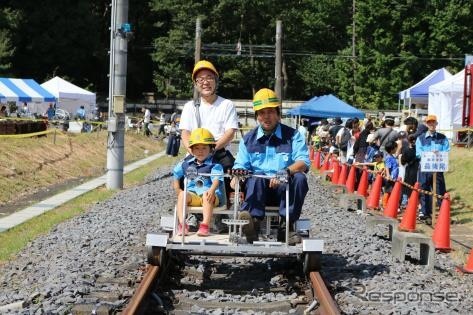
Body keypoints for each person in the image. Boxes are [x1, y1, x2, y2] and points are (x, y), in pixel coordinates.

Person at [231, 88, 310, 244]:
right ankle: (253, 224)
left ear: (278, 113)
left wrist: (285, 172)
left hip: (284, 187)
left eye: (270, 112)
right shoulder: (248, 139)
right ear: (256, 116)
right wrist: (236, 176)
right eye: (261, 113)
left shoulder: (293, 136)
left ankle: (286, 227)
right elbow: (240, 164)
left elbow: (303, 162)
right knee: (254, 178)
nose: (266, 117)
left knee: (300, 178)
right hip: (258, 189)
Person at [179, 60, 239, 172]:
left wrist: (210, 150)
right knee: (182, 177)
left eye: (209, 78)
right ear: (196, 84)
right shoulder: (189, 107)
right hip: (196, 153)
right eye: (200, 79)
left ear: (216, 81)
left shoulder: (227, 105)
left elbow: (230, 133)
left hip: (220, 153)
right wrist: (195, 152)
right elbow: (185, 134)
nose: (205, 82)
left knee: (232, 181)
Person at [172, 128, 224, 236]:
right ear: (191, 149)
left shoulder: (214, 165)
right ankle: (182, 224)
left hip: (211, 196)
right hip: (194, 195)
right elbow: (176, 174)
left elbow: (216, 180)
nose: (200, 151)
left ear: (211, 149)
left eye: (204, 148)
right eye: (197, 148)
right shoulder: (186, 164)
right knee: (182, 195)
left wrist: (212, 190)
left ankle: (205, 225)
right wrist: (177, 189)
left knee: (206, 195)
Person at [416, 114, 450, 222]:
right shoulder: (420, 138)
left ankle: (443, 213)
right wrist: (429, 154)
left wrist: (439, 153)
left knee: (440, 191)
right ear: (426, 124)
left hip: (437, 169)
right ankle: (425, 213)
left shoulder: (442, 138)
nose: (431, 124)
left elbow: (447, 150)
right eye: (429, 122)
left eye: (433, 122)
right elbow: (418, 153)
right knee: (424, 190)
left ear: (436, 124)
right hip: (425, 169)